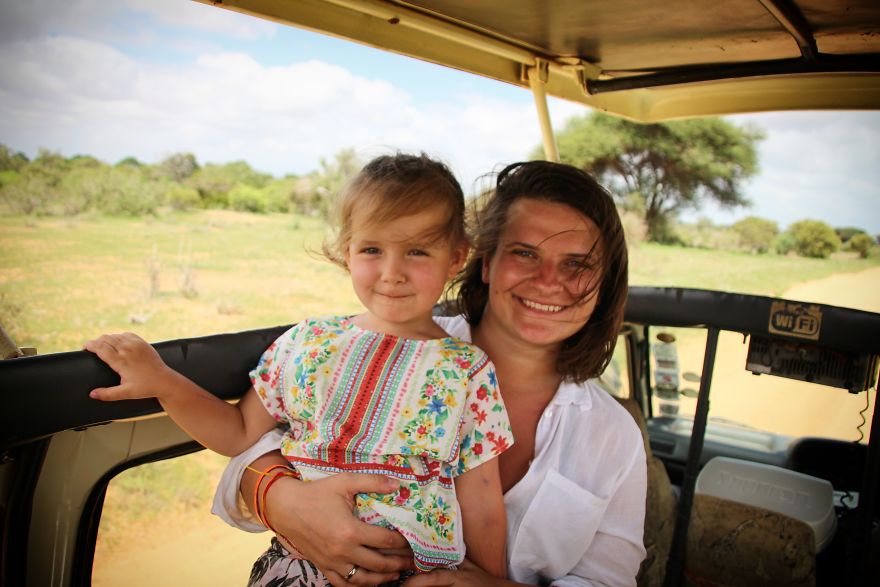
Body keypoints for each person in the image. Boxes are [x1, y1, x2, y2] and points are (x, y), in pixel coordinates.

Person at [85, 153, 514, 586]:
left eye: (417, 251)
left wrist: (486, 582)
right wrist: (163, 382)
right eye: (372, 249)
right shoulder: (307, 343)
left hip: (416, 575)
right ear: (346, 252)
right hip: (298, 568)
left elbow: (481, 501)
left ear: (455, 258)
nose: (392, 273)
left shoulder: (468, 371)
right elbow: (237, 432)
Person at [215, 160, 648, 587]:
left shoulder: (613, 435)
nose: (548, 281)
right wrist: (282, 500)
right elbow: (251, 444)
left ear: (604, 283)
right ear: (485, 263)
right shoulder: (386, 338)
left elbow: (607, 579)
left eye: (576, 264)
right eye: (524, 253)